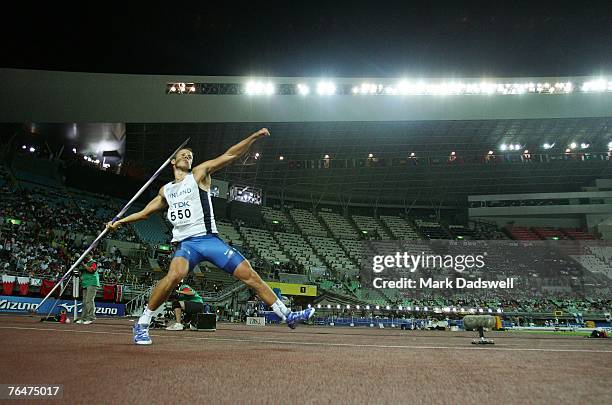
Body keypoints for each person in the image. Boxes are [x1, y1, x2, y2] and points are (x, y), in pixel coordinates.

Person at [107, 128, 314, 345]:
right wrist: (119, 222)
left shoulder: (199, 174)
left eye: (190, 156)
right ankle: (142, 323)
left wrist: (253, 137)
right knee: (174, 276)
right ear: (173, 161)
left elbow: (230, 155)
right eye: (183, 155)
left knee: (249, 275)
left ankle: (287, 315)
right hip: (186, 245)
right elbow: (145, 213)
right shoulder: (165, 191)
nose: (188, 158)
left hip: (208, 240)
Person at [77, 253, 99, 325]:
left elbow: (92, 270)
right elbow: (80, 272)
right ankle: (84, 318)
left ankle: (91, 317)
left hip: (92, 283)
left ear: (91, 256)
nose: (86, 256)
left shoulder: (93, 262)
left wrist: (84, 265)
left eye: (88, 255)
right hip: (85, 283)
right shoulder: (85, 263)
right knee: (84, 301)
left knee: (89, 300)